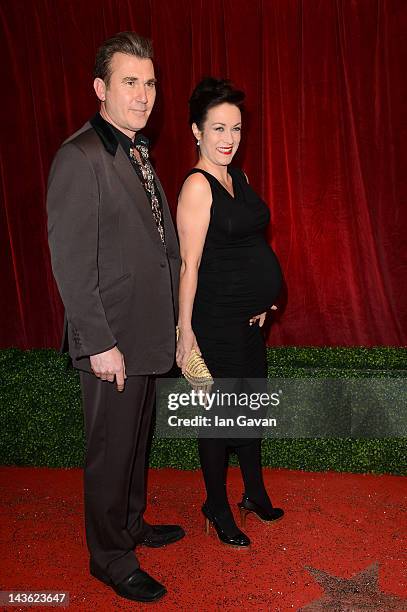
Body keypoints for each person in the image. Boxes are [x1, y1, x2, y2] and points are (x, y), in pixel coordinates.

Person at [47, 32, 183, 603]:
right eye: (131, 82)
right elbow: (71, 262)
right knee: (111, 449)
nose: (144, 94)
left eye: (150, 83)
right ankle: (109, 557)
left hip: (146, 331)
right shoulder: (79, 157)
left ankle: (129, 526)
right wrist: (98, 341)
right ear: (101, 88)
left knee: (135, 442)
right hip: (111, 340)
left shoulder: (135, 149)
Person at [176, 78, 284, 549]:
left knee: (250, 412)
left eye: (236, 129)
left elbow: (250, 243)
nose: (229, 138)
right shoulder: (197, 187)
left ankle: (254, 493)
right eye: (218, 128)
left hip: (247, 323)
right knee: (219, 421)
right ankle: (217, 505)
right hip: (214, 325)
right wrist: (185, 334)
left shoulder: (238, 177)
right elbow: (189, 265)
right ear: (196, 131)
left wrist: (266, 299)